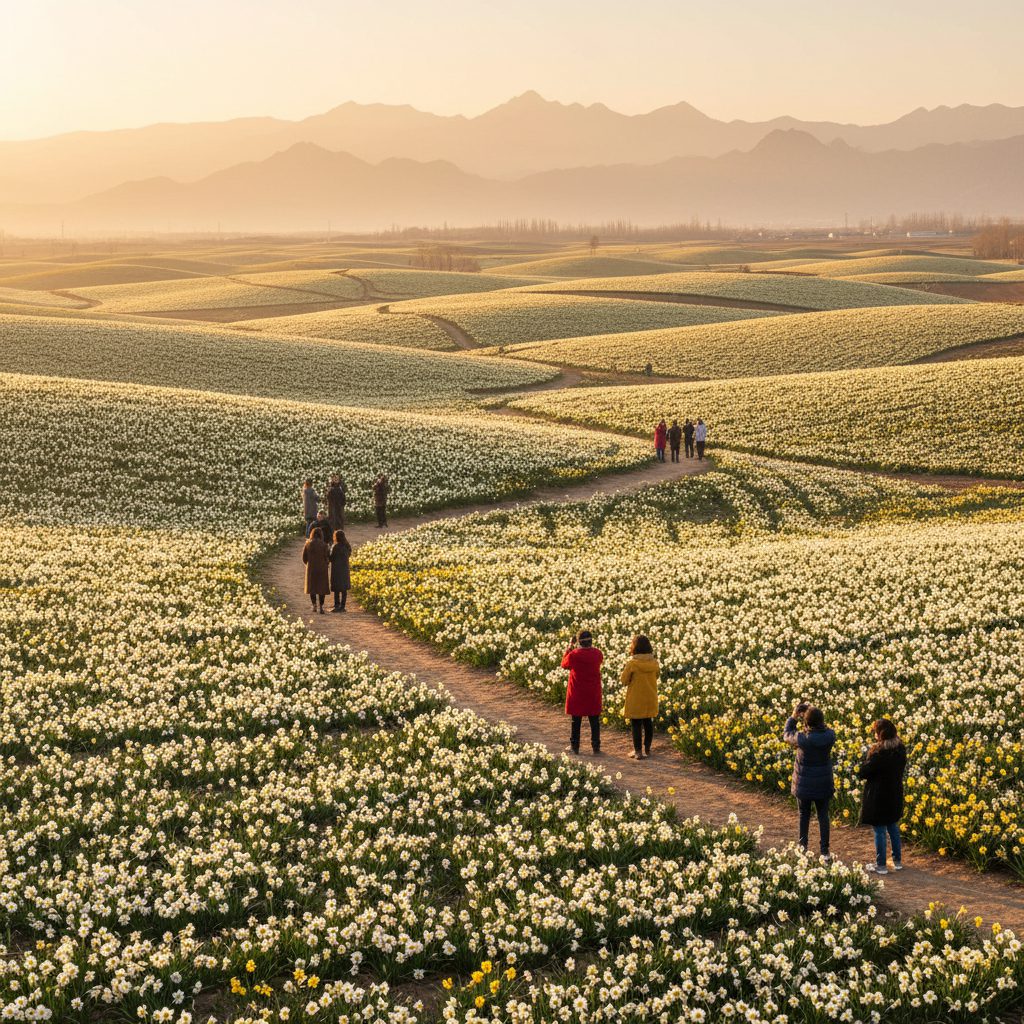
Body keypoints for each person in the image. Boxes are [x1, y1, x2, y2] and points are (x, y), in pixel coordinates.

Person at [783, 703, 836, 858]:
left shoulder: (802, 738)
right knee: (823, 816)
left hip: (804, 785)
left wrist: (794, 717)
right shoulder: (830, 736)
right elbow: (824, 730)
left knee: (804, 815)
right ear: (822, 721)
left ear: (806, 722)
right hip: (823, 783)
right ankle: (825, 852)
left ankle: (803, 848)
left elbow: (787, 735)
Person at [857, 719, 907, 875]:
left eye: (875, 732)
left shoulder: (879, 753)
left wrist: (866, 759)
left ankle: (881, 865)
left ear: (880, 735)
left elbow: (863, 772)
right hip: (894, 793)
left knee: (879, 830)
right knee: (892, 826)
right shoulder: (900, 749)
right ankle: (897, 861)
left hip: (878, 796)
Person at [561, 630, 603, 755]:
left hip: (577, 692)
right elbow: (599, 661)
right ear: (591, 641)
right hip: (593, 691)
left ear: (578, 642)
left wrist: (570, 647)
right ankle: (596, 746)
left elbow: (564, 664)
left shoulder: (574, 655)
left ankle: (575, 746)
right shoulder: (598, 653)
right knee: (594, 720)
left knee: (576, 721)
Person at [621, 635, 659, 760]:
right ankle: (647, 749)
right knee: (648, 723)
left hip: (636, 699)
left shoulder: (632, 664)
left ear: (634, 648)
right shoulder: (654, 663)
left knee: (636, 724)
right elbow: (657, 676)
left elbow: (624, 680)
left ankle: (638, 751)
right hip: (650, 697)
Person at [302, 527, 330, 614]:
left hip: (311, 568)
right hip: (322, 569)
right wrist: (326, 563)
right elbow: (327, 557)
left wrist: (308, 564)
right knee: (322, 588)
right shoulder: (324, 545)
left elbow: (304, 558)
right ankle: (321, 606)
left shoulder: (308, 544)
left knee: (312, 588)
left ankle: (314, 605)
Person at [328, 529, 352, 613]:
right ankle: (343, 606)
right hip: (345, 570)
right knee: (344, 589)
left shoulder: (335, 547)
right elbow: (349, 555)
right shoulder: (347, 546)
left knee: (337, 589)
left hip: (337, 570)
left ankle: (337, 605)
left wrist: (328, 551)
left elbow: (331, 558)